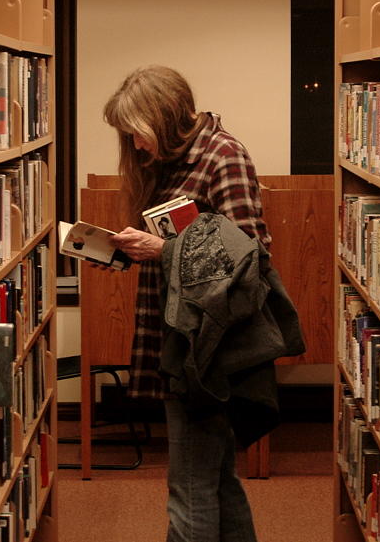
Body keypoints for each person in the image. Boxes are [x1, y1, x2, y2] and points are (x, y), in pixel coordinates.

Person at [102, 65, 276, 542]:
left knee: (190, 491)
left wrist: (163, 250)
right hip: (181, 338)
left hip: (206, 349)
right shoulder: (174, 161)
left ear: (164, 116)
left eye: (137, 134)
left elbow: (252, 258)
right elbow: (183, 247)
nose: (135, 147)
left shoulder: (224, 157)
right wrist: (125, 253)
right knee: (216, 480)